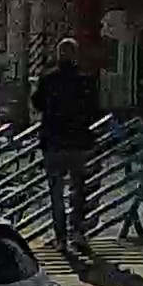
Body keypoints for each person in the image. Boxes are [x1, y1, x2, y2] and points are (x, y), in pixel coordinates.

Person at [32, 37, 102, 252]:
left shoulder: (48, 78)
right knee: (78, 189)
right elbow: (94, 109)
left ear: (58, 54)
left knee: (56, 193)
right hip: (79, 142)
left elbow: (37, 103)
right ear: (76, 55)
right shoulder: (86, 80)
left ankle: (60, 238)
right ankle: (78, 233)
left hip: (53, 141)